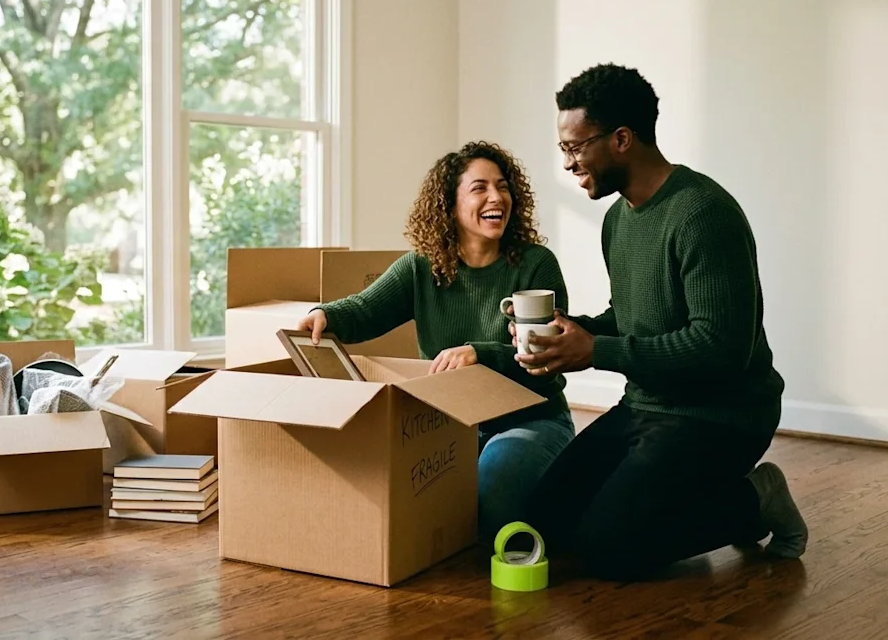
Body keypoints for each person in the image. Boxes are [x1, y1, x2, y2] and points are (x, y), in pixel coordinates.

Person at [513, 63, 808, 581]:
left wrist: (596, 351)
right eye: (564, 148)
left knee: (606, 549)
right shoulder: (617, 219)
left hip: (721, 415)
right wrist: (568, 331)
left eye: (575, 147)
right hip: (647, 405)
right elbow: (630, 317)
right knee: (543, 525)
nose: (567, 163)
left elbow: (721, 347)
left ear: (621, 139)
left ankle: (756, 499)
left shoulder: (703, 213)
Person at [297, 141, 576, 539]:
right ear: (449, 204)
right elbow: (364, 310)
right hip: (450, 423)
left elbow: (547, 363)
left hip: (532, 418)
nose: (496, 197)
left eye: (503, 186)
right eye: (479, 188)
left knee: (493, 486)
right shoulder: (421, 268)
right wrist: (325, 314)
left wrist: (480, 354)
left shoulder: (536, 265)